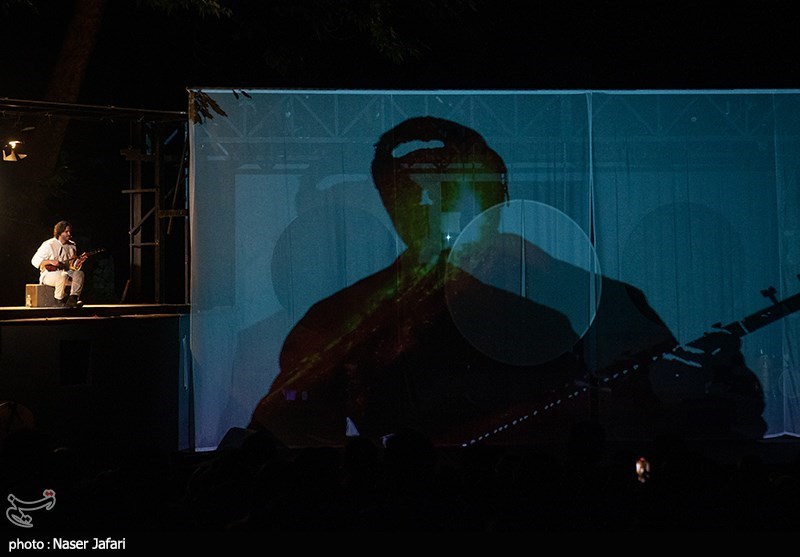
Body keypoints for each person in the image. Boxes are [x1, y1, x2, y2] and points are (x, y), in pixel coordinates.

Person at [249, 116, 766, 449]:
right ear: (389, 204)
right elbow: (288, 436)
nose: (430, 205)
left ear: (496, 194)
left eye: (448, 187)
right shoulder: (339, 323)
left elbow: (687, 419)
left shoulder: (599, 303)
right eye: (411, 190)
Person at [31, 220, 85, 307]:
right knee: (62, 275)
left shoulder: (72, 245)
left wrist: (79, 261)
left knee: (79, 274)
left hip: (66, 273)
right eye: (66, 231)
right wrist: (50, 261)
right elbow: (34, 260)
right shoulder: (49, 244)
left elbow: (72, 266)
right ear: (59, 232)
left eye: (69, 231)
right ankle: (59, 300)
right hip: (49, 275)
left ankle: (73, 299)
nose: (69, 234)